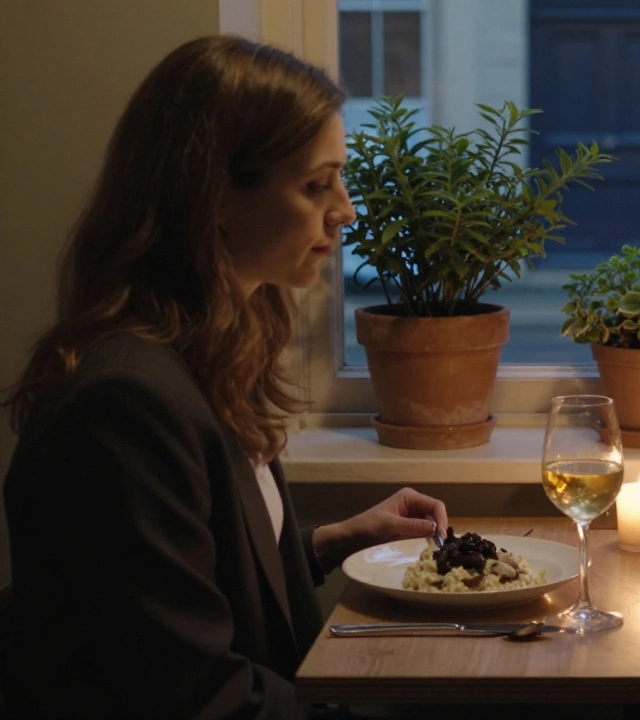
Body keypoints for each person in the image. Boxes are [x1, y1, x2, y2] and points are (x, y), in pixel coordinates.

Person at [1, 36, 450, 719]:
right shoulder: (125, 404)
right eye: (314, 184)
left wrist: (335, 540)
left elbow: (196, 579)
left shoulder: (205, 354)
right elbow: (190, 692)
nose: (347, 210)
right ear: (210, 196)